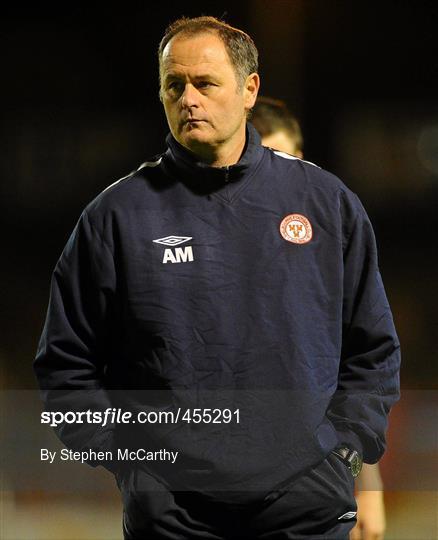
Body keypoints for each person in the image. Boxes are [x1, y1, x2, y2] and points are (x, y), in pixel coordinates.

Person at [34, 16, 400, 540]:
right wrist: (133, 467)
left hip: (305, 504)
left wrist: (345, 452)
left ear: (250, 89)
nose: (188, 98)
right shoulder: (116, 216)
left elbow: (373, 350)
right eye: (173, 85)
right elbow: (65, 366)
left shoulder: (326, 204)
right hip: (173, 514)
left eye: (205, 83)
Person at [251, 96, 387, 540]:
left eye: (287, 155)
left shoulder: (325, 235)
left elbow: (359, 360)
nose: (278, 170)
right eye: (266, 157)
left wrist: (365, 478)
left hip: (311, 488)